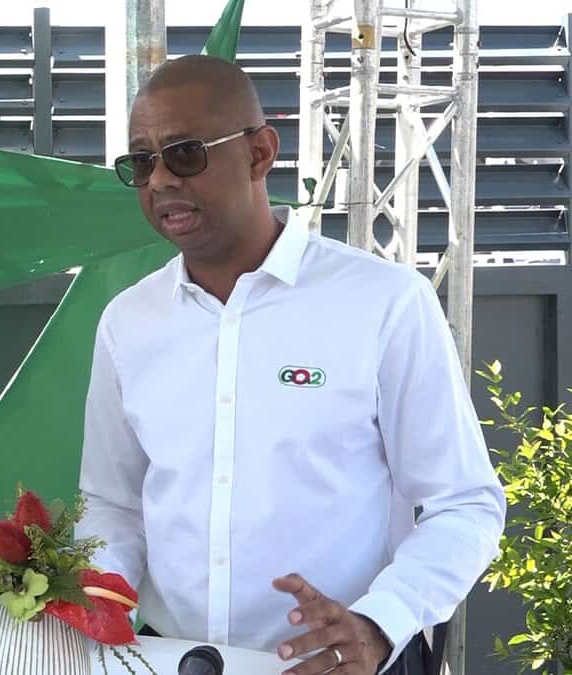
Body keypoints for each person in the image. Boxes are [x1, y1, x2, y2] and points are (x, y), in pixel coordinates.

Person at [77, 55, 505, 675]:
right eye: (141, 163)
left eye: (185, 154)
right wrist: (97, 603)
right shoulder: (128, 322)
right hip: (169, 658)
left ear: (259, 153)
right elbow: (112, 504)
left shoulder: (383, 302)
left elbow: (464, 503)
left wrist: (379, 623)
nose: (161, 180)